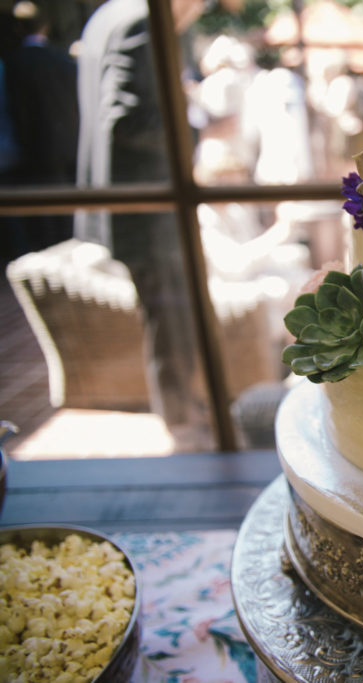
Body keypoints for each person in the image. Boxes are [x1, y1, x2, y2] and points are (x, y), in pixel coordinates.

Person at [74, 0, 207, 438]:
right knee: (171, 321)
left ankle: (185, 415)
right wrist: (201, 127)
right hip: (150, 211)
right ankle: (182, 426)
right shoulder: (140, 21)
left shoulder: (109, 15)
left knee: (168, 319)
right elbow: (126, 121)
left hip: (132, 207)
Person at [3, 1, 78, 250]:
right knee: (66, 223)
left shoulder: (12, 65)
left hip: (27, 156)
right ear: (45, 27)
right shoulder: (63, 61)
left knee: (39, 228)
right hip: (65, 151)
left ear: (17, 29)